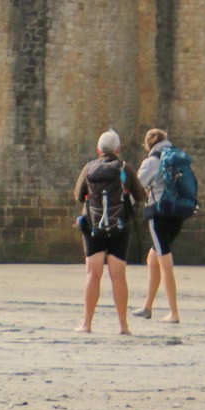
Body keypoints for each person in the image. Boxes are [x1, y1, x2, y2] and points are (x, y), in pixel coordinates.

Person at [74, 128, 147, 334]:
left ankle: (87, 324)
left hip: (93, 227)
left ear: (99, 150)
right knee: (118, 275)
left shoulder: (89, 168)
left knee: (92, 274)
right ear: (118, 149)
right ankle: (123, 326)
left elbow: (78, 196)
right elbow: (140, 197)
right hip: (119, 228)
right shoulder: (126, 168)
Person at [135, 127, 189, 325]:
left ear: (148, 144)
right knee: (153, 257)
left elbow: (136, 185)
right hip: (178, 213)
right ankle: (147, 306)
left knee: (165, 262)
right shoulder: (178, 156)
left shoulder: (151, 161)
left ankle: (173, 313)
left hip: (160, 214)